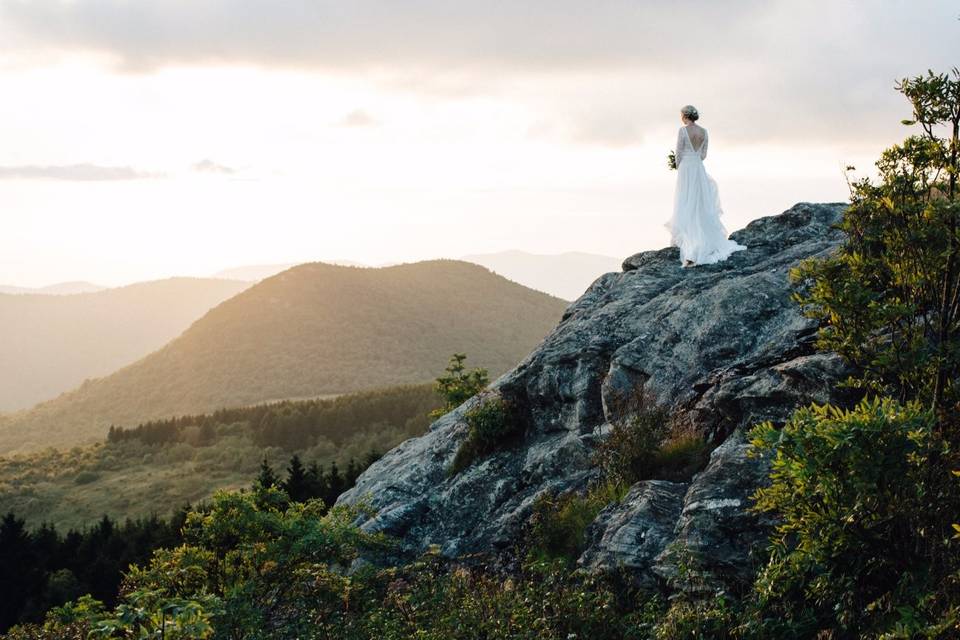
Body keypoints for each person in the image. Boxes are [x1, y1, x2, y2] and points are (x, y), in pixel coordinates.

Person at [665, 105, 746, 267]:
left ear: (685, 116)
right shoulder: (704, 132)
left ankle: (686, 240)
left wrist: (679, 166)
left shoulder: (682, 131)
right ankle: (702, 236)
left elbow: (679, 152)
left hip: (686, 168)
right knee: (699, 201)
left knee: (685, 199)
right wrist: (694, 159)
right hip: (698, 167)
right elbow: (703, 155)